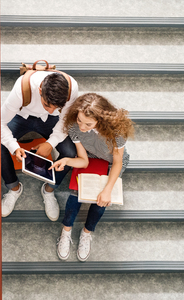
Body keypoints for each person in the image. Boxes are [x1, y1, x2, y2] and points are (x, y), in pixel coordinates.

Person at [50, 93, 134, 261]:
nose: (81, 126)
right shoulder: (75, 127)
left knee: (102, 199)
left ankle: (87, 233)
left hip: (112, 162)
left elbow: (117, 161)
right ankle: (66, 230)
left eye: (88, 124)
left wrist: (108, 189)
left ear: (100, 121)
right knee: (75, 193)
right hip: (92, 157)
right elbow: (83, 160)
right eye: (80, 120)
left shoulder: (116, 131)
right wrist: (67, 160)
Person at [1, 71, 78, 221]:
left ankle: (49, 190)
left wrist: (50, 143)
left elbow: (64, 121)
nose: (50, 110)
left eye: (56, 107)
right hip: (22, 116)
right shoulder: (22, 88)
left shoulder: (72, 88)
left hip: (52, 121)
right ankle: (14, 188)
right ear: (40, 89)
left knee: (70, 152)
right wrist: (14, 147)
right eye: (47, 105)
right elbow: (0, 122)